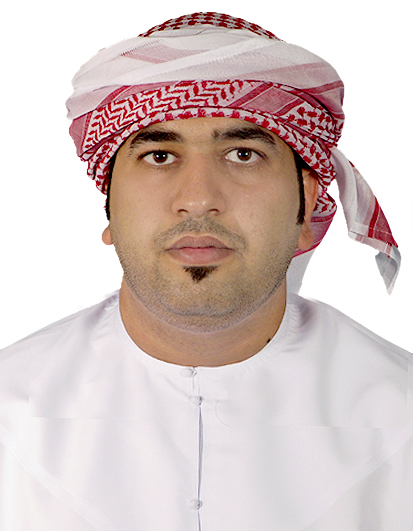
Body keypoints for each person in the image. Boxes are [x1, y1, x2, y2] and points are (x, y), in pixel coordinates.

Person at [0, 12, 411, 531]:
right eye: (158, 155)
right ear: (110, 208)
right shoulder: (9, 410)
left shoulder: (401, 413)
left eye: (243, 154)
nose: (197, 199)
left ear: (307, 206)